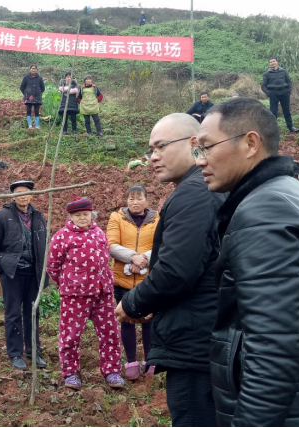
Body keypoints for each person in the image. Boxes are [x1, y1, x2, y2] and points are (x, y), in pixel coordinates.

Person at [193, 97, 299, 426]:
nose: (199, 161)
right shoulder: (289, 189)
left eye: (206, 147)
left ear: (250, 143)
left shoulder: (263, 212)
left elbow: (272, 353)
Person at [115, 113, 225, 427]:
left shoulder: (194, 193)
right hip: (203, 334)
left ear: (194, 144)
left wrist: (133, 303)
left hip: (196, 344)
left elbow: (177, 271)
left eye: (161, 146)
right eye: (150, 149)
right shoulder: (201, 188)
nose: (152, 157)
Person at [47, 197, 125, 390]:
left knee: (110, 333)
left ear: (92, 214)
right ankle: (71, 373)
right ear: (70, 216)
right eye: (77, 215)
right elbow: (53, 267)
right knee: (71, 335)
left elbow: (105, 260)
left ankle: (112, 371)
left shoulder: (99, 233)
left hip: (103, 292)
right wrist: (69, 283)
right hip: (75, 295)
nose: (82, 218)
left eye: (85, 214)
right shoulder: (62, 237)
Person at [0, 180, 48, 371]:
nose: (23, 196)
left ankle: (33, 351)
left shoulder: (38, 216)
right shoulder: (3, 216)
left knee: (32, 313)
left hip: (33, 272)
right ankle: (15, 353)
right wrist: (1, 266)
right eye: (19, 192)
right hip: (13, 274)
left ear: (32, 195)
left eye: (26, 192)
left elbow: (44, 244)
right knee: (13, 314)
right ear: (12, 196)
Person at [107, 184, 159, 380]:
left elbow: (161, 244)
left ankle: (150, 360)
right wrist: (133, 258)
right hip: (122, 279)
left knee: (148, 320)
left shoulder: (156, 220)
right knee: (126, 320)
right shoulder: (116, 217)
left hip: (148, 279)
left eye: (138, 198)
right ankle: (131, 362)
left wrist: (143, 258)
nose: (134, 202)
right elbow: (111, 245)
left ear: (146, 201)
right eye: (131, 199)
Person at [261, 56, 299, 133]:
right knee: (273, 112)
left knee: (287, 111)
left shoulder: (283, 71)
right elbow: (263, 86)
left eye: (273, 61)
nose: (272, 63)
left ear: (277, 62)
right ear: (269, 64)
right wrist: (269, 94)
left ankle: (291, 127)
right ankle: (273, 129)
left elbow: (289, 82)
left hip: (284, 93)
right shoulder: (267, 74)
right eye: (270, 62)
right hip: (273, 94)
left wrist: (288, 91)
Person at [20, 64, 45, 130]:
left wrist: (38, 92)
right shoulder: (26, 78)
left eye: (35, 68)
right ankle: (30, 126)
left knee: (37, 112)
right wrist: (26, 94)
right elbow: (22, 87)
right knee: (28, 111)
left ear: (36, 70)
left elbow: (42, 88)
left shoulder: (39, 78)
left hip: (37, 98)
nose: (33, 70)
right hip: (28, 98)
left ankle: (37, 126)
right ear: (30, 69)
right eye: (32, 68)